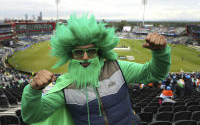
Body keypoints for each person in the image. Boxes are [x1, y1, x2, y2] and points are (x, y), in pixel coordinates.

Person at [21, 14, 171, 125]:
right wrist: (33, 91)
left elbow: (154, 73)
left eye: (91, 51)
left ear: (99, 51)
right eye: (78, 52)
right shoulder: (64, 86)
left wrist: (160, 53)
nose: (86, 57)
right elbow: (33, 117)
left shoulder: (117, 67)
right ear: (70, 55)